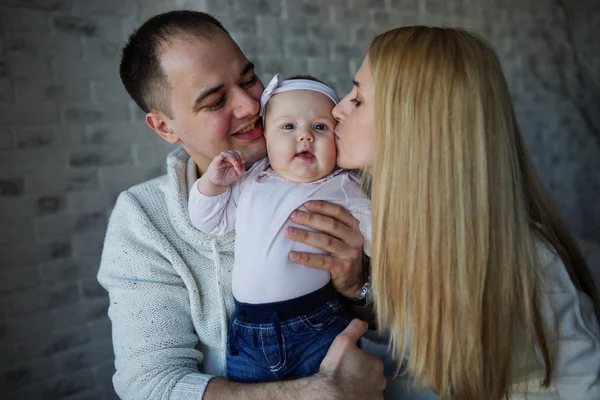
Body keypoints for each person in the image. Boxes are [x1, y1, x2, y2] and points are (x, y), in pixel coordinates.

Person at [97, 10, 385, 400]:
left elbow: (405, 327)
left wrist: (357, 287)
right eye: (215, 101)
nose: (250, 106)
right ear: (165, 127)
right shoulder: (144, 219)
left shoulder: (337, 177)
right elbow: (150, 384)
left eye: (249, 79)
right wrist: (316, 394)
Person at [332, 25, 600, 400]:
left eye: (357, 99)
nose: (336, 108)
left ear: (414, 123)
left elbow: (586, 384)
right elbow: (415, 346)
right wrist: (356, 288)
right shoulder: (396, 228)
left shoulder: (530, 263)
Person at [189, 73, 372, 382]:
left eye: (320, 127)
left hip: (317, 323)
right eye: (288, 126)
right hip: (248, 333)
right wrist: (212, 184)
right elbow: (210, 221)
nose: (305, 136)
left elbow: (387, 242)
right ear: (266, 139)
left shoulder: (342, 186)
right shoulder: (251, 181)